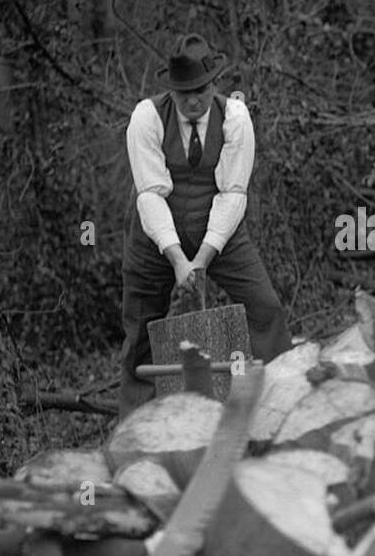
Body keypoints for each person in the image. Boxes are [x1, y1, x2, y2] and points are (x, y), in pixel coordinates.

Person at [119, 34, 290, 417]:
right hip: (154, 237)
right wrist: (179, 260)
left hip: (222, 232)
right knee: (139, 333)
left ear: (213, 84)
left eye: (200, 90)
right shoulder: (145, 118)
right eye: (184, 93)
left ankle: (281, 406)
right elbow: (150, 194)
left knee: (267, 309)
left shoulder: (235, 117)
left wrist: (204, 258)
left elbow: (233, 194)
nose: (193, 100)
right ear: (172, 90)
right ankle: (135, 428)